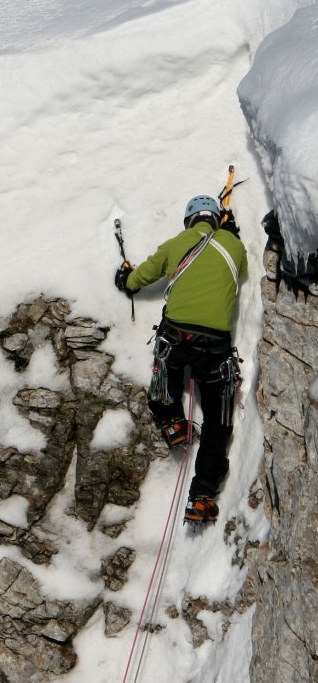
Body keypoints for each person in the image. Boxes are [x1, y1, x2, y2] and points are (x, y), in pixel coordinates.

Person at [115, 195, 248, 523]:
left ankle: (172, 419)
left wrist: (126, 279)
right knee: (218, 421)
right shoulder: (233, 245)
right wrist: (230, 233)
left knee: (167, 366)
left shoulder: (176, 244)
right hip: (215, 348)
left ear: (190, 221)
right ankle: (202, 495)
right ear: (218, 220)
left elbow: (139, 279)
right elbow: (240, 267)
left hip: (176, 337)